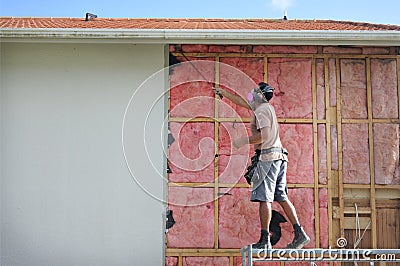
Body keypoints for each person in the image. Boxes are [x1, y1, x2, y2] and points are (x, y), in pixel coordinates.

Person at [213, 83, 310, 250]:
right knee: (281, 196)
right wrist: (224, 93)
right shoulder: (262, 107)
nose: (251, 93)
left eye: (255, 92)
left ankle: (265, 240)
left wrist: (243, 141)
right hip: (278, 157)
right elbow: (243, 101)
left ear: (261, 96)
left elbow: (264, 137)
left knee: (264, 197)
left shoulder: (262, 111)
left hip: (268, 158)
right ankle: (300, 233)